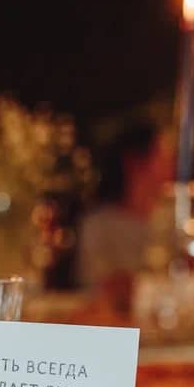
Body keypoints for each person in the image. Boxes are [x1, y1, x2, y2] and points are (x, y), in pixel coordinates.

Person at [77, 120, 172, 307]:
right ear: (134, 162)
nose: (171, 163)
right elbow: (103, 287)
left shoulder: (171, 219)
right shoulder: (99, 225)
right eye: (162, 154)